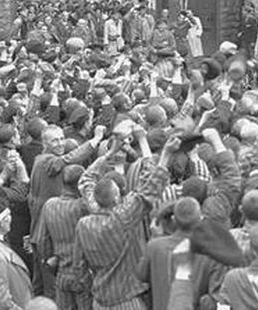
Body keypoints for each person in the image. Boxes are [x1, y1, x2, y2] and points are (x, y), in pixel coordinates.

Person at [72, 124, 175, 309]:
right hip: (129, 301)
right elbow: (149, 189)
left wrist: (110, 152)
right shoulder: (123, 216)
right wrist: (156, 149)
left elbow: (86, 180)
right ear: (118, 196)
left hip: (99, 300)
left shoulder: (84, 222)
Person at [36, 164, 90, 310]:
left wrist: (50, 261)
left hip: (61, 274)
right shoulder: (83, 207)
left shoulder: (49, 205)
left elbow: (41, 240)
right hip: (85, 274)